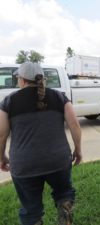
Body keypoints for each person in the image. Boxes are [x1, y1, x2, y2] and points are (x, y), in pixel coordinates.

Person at [0, 62, 82, 225]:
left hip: (24, 165)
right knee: (64, 193)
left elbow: (1, 134)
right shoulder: (59, 97)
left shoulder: (9, 101)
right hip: (58, 160)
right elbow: (74, 124)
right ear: (41, 79)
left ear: (22, 80)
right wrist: (77, 150)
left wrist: (1, 157)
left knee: (31, 209)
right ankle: (65, 215)